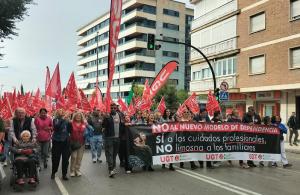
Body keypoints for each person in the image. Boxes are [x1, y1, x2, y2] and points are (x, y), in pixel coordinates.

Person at [102, 103, 125, 178]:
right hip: (109, 138)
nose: (113, 109)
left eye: (114, 108)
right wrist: (105, 118)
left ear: (116, 108)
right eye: (111, 108)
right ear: (110, 108)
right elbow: (103, 126)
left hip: (117, 138)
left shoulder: (120, 115)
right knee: (110, 154)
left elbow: (122, 125)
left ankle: (113, 168)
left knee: (115, 154)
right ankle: (111, 169)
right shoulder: (107, 116)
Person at [51, 109, 70, 180]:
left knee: (65, 159)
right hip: (57, 141)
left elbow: (69, 129)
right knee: (55, 158)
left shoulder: (67, 120)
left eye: (62, 111)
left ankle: (64, 174)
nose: (61, 112)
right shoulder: (55, 120)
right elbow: (56, 127)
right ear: (57, 113)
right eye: (60, 111)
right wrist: (62, 119)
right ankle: (53, 172)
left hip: (65, 141)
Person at [69, 112, 86, 177]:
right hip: (73, 143)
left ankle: (77, 170)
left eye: (80, 116)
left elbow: (88, 131)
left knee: (79, 158)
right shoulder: (71, 123)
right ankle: (72, 171)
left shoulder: (84, 123)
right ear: (74, 117)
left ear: (81, 117)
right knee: (73, 157)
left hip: (81, 143)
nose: (78, 117)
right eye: (77, 116)